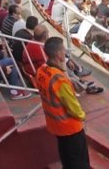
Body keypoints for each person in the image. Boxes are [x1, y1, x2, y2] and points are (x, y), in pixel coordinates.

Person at [35, 37, 90, 169]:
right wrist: (83, 116)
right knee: (79, 163)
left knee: (67, 160)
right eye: (63, 49)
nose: (65, 52)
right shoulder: (60, 80)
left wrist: (63, 67)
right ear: (59, 54)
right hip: (71, 128)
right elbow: (73, 107)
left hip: (55, 126)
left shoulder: (41, 71)